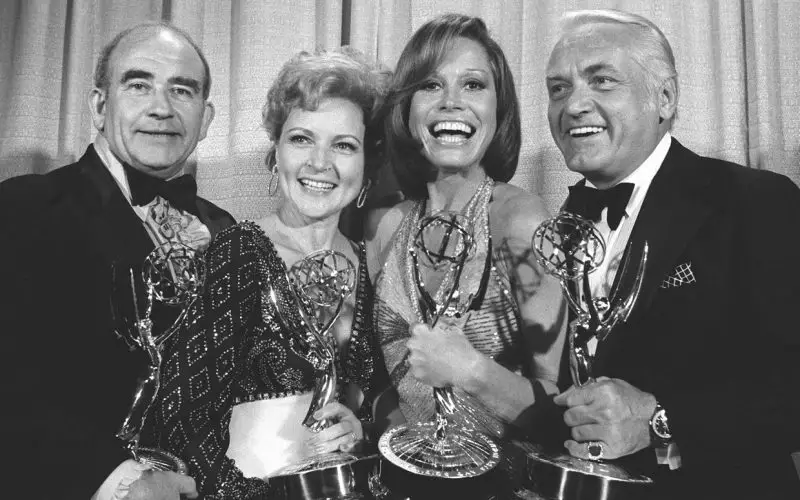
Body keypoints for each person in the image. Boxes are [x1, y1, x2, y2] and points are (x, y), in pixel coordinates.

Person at [544, 9, 800, 499]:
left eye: (602, 80)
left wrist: (661, 419)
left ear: (664, 98)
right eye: (558, 88)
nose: (574, 104)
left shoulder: (753, 200)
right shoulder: (561, 222)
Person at [140, 47, 390, 498]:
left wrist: (361, 428)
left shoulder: (371, 264)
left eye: (344, 145)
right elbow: (183, 421)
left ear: (366, 166)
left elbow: (380, 403)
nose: (320, 162)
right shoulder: (239, 252)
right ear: (276, 155)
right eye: (301, 139)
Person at [0, 22, 234, 500]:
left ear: (206, 118)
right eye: (139, 84)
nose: (162, 108)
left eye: (182, 90)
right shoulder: (21, 209)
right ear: (100, 106)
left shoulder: (225, 230)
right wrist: (116, 481)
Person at [366, 13, 566, 495]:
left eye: (473, 84)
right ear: (408, 110)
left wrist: (472, 371)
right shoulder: (387, 227)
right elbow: (381, 382)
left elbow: (559, 414)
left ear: (499, 110)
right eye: (431, 85)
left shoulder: (521, 220)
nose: (451, 102)